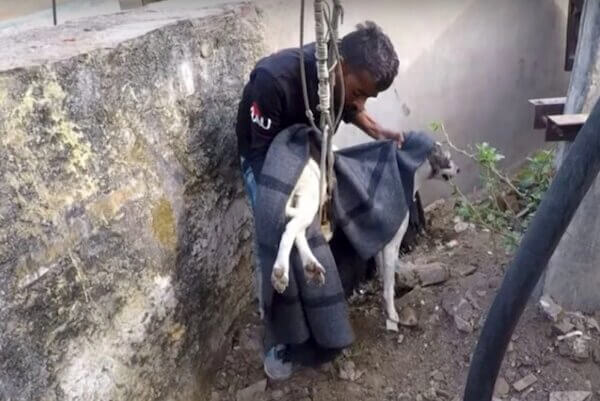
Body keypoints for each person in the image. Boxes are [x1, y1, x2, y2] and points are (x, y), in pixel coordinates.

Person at [235, 20, 402, 380]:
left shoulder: (337, 85)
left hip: (308, 155)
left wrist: (376, 130)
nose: (359, 103)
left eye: (368, 98)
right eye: (359, 91)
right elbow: (263, 159)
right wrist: (294, 201)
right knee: (277, 242)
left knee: (318, 235)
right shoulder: (274, 80)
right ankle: (280, 337)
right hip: (266, 160)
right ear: (340, 64)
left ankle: (319, 315)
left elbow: (350, 104)